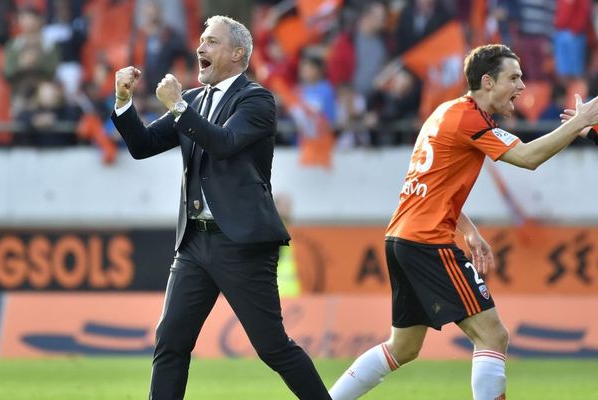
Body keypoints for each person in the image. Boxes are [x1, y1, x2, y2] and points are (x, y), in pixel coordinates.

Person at [329, 44, 598, 400]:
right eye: (513, 78)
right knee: (492, 335)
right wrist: (580, 122)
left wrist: (467, 228)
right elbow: (528, 157)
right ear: (487, 82)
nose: (521, 87)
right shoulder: (469, 119)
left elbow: (431, 184)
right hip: (427, 242)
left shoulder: (446, 112)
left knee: (403, 347)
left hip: (401, 238)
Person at [110, 15, 331, 400]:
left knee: (272, 347)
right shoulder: (195, 100)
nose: (200, 48)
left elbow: (225, 143)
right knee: (170, 342)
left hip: (241, 244)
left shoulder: (256, 99)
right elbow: (142, 145)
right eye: (201, 40)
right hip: (195, 242)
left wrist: (178, 106)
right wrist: (124, 102)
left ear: (236, 54)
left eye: (211, 42)